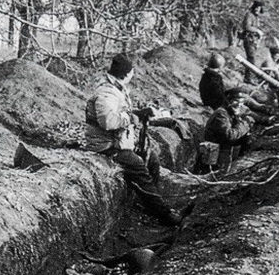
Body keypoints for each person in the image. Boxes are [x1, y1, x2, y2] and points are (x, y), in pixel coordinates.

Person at [84, 53, 193, 228]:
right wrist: (131, 117)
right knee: (138, 167)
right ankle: (164, 215)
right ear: (126, 74)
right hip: (105, 145)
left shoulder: (116, 88)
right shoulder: (107, 92)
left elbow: (121, 111)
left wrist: (140, 112)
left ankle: (153, 204)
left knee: (153, 160)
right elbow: (108, 121)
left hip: (117, 141)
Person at [198, 89, 253, 175]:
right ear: (229, 101)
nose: (239, 104)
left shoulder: (234, 110)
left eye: (242, 102)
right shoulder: (221, 114)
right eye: (236, 101)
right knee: (215, 174)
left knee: (248, 137)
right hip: (215, 149)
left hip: (224, 145)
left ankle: (241, 163)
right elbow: (229, 135)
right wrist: (244, 124)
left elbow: (250, 115)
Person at [239, 0, 265, 82]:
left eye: (259, 8)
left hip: (254, 41)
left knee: (252, 59)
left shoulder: (256, 17)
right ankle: (248, 78)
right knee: (251, 59)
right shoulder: (249, 15)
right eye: (256, 7)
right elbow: (247, 27)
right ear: (254, 7)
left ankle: (249, 78)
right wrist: (257, 31)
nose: (257, 9)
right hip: (248, 40)